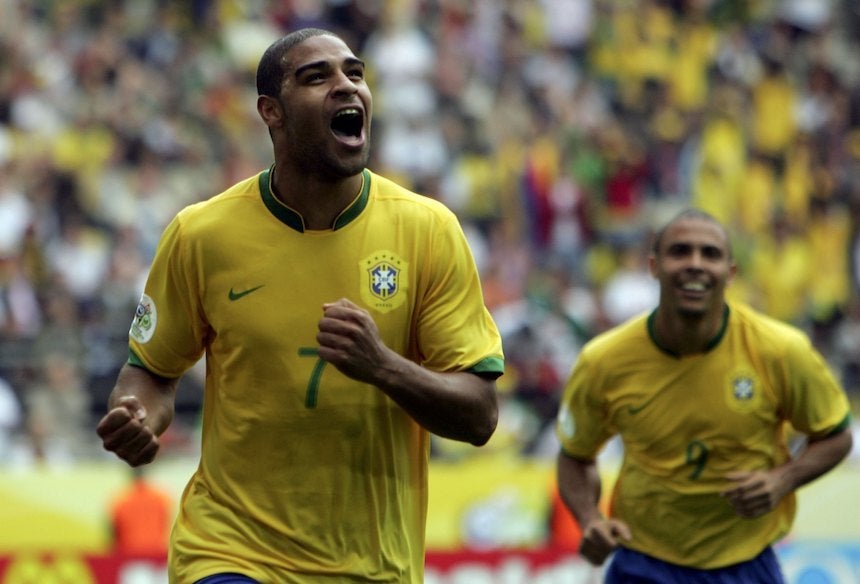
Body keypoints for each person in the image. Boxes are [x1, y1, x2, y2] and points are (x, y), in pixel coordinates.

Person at [96, 28, 504, 584]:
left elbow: (479, 415)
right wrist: (137, 415)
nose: (346, 87)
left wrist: (382, 366)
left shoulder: (428, 231)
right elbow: (150, 371)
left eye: (354, 74)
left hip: (371, 566)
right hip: (231, 551)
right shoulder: (202, 234)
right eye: (317, 77)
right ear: (272, 112)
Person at [555, 208, 853, 582]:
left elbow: (836, 435)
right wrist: (589, 519)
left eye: (709, 254)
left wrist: (783, 479)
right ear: (653, 266)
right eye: (680, 251)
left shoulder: (781, 351)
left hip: (745, 563)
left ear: (730, 273)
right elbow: (575, 457)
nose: (695, 264)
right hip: (643, 563)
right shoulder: (603, 361)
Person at [109, 466, 173, 557]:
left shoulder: (121, 501)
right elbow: (165, 523)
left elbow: (114, 532)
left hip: (129, 553)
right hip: (156, 552)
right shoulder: (161, 499)